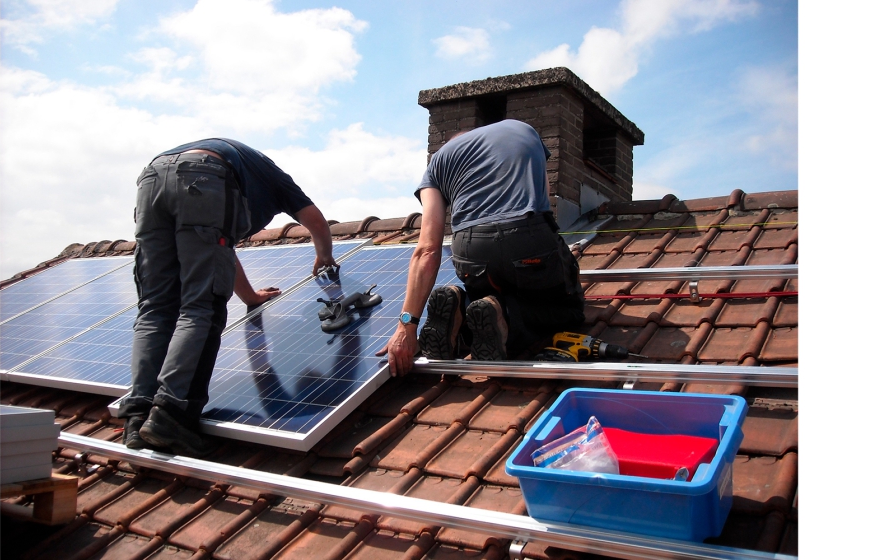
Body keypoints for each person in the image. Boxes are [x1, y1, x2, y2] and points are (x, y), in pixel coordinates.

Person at [120, 138, 337, 456]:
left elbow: (219, 251)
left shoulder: (246, 170)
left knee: (155, 308)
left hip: (152, 178)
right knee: (200, 308)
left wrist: (249, 296)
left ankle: (137, 419)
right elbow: (317, 222)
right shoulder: (276, 180)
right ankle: (171, 415)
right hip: (203, 176)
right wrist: (325, 256)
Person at [377, 119, 584, 376]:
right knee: (569, 309)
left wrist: (406, 325)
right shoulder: (522, 128)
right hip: (527, 237)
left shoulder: (437, 163)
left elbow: (427, 249)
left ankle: (461, 307)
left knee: (486, 296)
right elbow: (544, 199)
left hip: (471, 251)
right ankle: (504, 316)